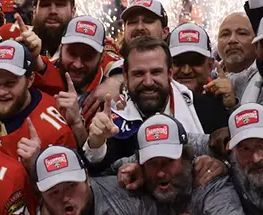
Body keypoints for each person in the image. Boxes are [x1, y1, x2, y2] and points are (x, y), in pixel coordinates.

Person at [116, 114, 255, 215]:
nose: (160, 172)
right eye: (152, 162)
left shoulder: (211, 185)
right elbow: (101, 171)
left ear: (186, 157)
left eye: (168, 161)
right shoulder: (139, 175)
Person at [84, 37, 209, 173]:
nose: (148, 82)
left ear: (170, 73)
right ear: (125, 76)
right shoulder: (115, 122)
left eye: (156, 72)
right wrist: (96, 143)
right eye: (139, 73)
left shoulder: (205, 108)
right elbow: (99, 169)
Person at [0, 39, 77, 161]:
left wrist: (36, 167)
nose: (1, 92)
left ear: (30, 80)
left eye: (10, 83)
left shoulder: (56, 131)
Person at [168, 23, 232, 132]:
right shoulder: (156, 99)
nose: (186, 70)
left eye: (195, 61)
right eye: (178, 62)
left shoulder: (224, 98)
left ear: (210, 65)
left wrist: (231, 106)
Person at [217, 12, 257, 99]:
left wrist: (233, 105)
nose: (232, 40)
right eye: (225, 34)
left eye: (242, 33)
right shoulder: (205, 78)